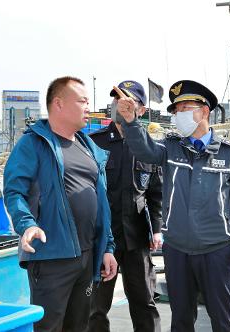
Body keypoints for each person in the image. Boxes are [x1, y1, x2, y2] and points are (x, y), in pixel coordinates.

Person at [115, 80, 230, 332]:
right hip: (177, 251)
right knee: (180, 318)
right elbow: (144, 150)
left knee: (223, 318)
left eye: (185, 109)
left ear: (204, 111)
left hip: (217, 250)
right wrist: (131, 122)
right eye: (176, 111)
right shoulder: (170, 149)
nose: (179, 116)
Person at [3, 76, 117, 332]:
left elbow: (101, 203)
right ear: (59, 104)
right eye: (82, 101)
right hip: (52, 257)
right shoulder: (33, 144)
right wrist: (26, 224)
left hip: (87, 257)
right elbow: (14, 191)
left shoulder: (89, 147)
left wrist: (107, 247)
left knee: (79, 326)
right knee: (49, 328)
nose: (89, 106)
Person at [88, 80, 162, 332]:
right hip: (100, 238)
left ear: (140, 110)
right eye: (115, 100)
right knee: (95, 308)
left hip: (136, 238)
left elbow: (155, 194)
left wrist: (158, 230)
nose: (119, 105)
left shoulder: (148, 148)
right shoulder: (93, 143)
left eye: (127, 101)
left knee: (144, 303)